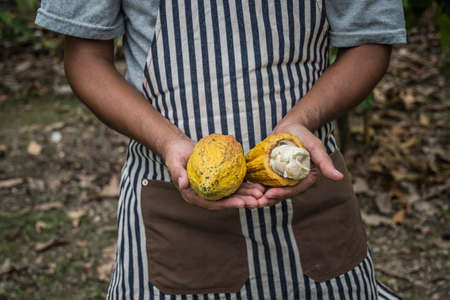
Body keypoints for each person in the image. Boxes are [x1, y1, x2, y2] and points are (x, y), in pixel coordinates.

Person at [35, 0, 406, 299]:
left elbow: (369, 40)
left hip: (310, 200)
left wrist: (301, 122)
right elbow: (84, 58)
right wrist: (169, 142)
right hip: (173, 208)